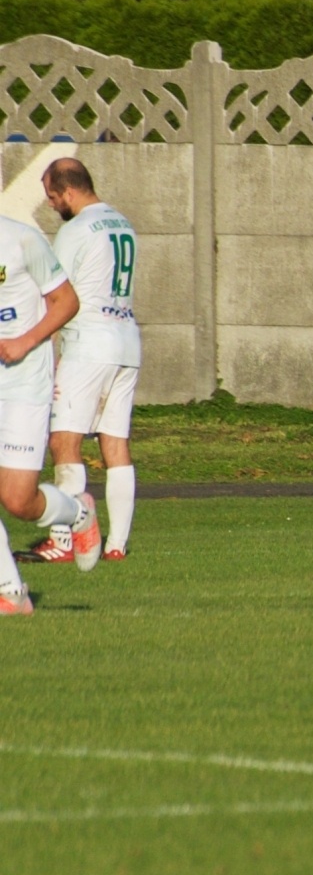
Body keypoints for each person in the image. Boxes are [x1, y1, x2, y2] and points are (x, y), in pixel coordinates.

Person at [31, 158, 140, 563]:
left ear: (69, 191)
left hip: (90, 344)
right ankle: (116, 545)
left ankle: (63, 540)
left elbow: (57, 296)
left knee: (64, 440)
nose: (51, 204)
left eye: (53, 196)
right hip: (127, 341)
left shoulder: (75, 230)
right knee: (116, 444)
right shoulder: (122, 223)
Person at [0, 212, 102, 614]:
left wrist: (26, 341)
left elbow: (67, 301)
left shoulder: (21, 240)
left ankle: (78, 512)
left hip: (26, 383)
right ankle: (11, 593)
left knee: (18, 500)